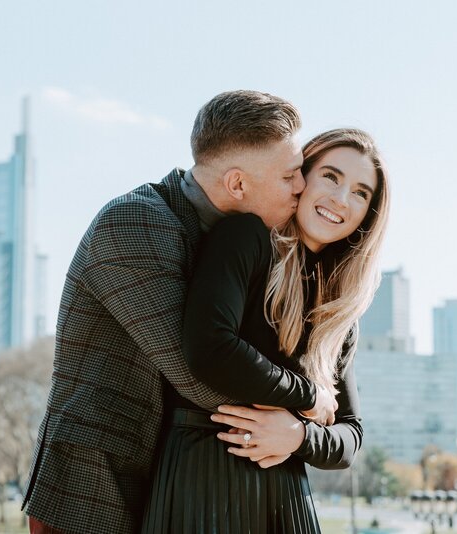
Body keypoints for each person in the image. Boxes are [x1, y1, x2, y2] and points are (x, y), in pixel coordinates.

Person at [23, 90, 336, 534]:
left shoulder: (235, 241)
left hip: (166, 485)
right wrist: (309, 403)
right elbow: (198, 372)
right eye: (290, 176)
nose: (301, 186)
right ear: (238, 184)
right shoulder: (135, 223)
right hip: (95, 490)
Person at [141, 128, 390, 533]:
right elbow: (210, 347)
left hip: (286, 491)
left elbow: (351, 435)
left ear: (368, 215)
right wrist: (307, 397)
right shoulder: (247, 238)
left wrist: (298, 437)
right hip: (204, 476)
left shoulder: (337, 311)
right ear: (300, 177)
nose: (340, 200)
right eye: (330, 176)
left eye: (361, 193)